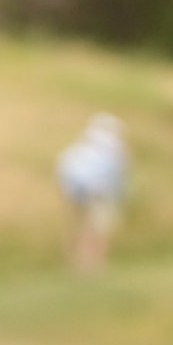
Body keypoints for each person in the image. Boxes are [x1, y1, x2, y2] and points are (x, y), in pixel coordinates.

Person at [56, 112, 129, 272]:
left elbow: (64, 169)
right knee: (98, 230)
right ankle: (93, 265)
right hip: (99, 194)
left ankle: (80, 264)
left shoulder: (80, 148)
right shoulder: (113, 148)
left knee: (83, 228)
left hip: (76, 192)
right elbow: (118, 175)